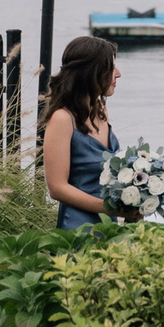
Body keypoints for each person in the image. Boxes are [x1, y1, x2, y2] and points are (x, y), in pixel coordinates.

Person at [42, 35, 121, 229]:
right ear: (91, 72)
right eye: (111, 68)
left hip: (108, 226)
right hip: (78, 228)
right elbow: (57, 188)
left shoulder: (101, 109)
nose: (118, 74)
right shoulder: (62, 119)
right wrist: (111, 209)